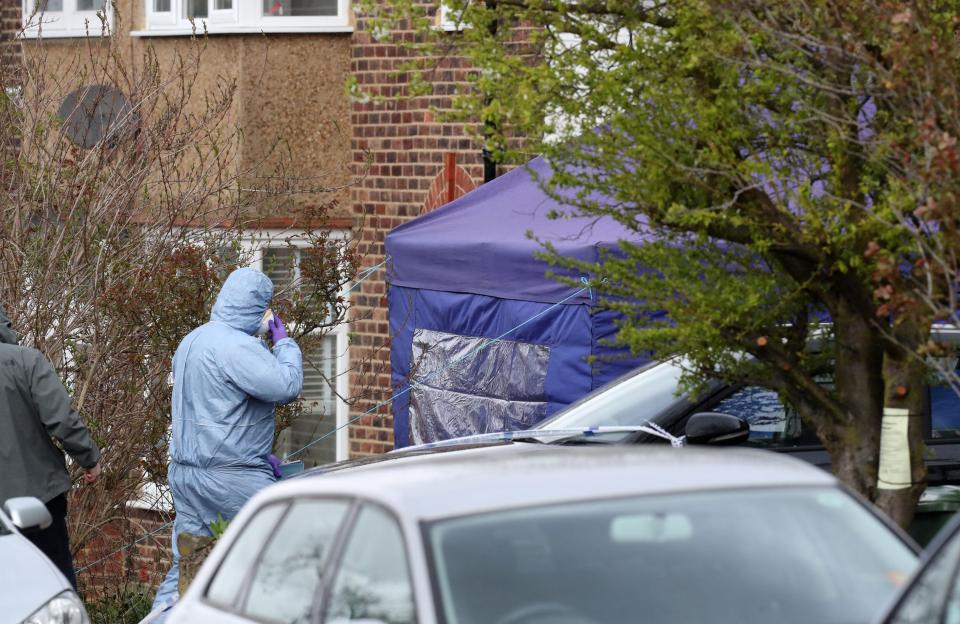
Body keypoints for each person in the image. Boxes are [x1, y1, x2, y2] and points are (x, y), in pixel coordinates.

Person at [150, 267, 303, 617]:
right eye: (267, 309)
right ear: (259, 309)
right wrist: (283, 342)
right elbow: (286, 386)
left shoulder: (194, 339)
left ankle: (161, 616)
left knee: (189, 566)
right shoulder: (238, 347)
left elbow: (217, 408)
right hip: (230, 475)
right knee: (288, 542)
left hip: (186, 473)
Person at [0, 304, 101, 589]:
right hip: (37, 505)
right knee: (51, 591)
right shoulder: (25, 362)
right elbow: (63, 421)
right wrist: (90, 458)